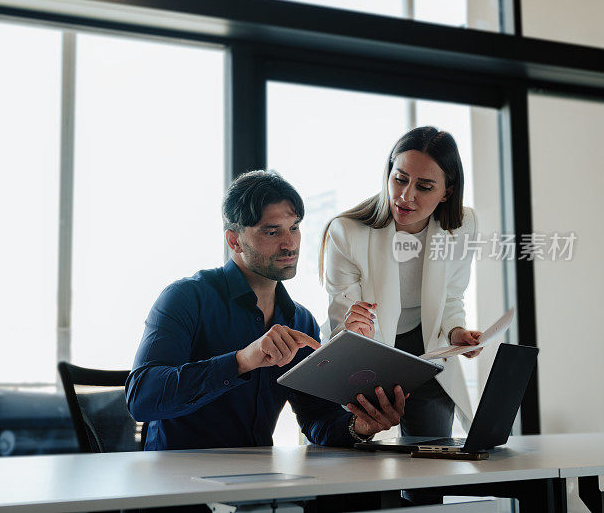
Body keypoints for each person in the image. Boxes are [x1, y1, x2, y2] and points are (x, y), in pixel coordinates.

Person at [126, 170, 406, 451]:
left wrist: (360, 426)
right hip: (178, 481)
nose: (290, 244)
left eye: (294, 228)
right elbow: (142, 399)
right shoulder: (187, 298)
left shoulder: (300, 320)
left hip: (258, 482)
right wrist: (243, 360)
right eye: (272, 232)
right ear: (234, 241)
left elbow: (317, 419)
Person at [319, 126, 481, 439]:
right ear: (388, 173)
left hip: (427, 350)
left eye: (425, 186)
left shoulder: (463, 225)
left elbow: (451, 298)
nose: (406, 196)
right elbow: (343, 318)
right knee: (354, 452)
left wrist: (457, 331)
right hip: (372, 347)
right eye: (400, 178)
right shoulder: (346, 232)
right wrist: (352, 327)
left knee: (430, 460)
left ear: (446, 192)